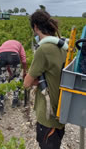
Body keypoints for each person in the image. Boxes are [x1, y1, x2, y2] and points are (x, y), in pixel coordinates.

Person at [24, 10, 67, 149]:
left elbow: (27, 83)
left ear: (35, 27)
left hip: (48, 115)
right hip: (62, 109)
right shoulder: (64, 46)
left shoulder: (44, 49)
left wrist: (34, 80)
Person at [0, 40, 27, 113]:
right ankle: (15, 100)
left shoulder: (4, 44)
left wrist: (9, 73)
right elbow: (24, 60)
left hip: (0, 56)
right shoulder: (19, 44)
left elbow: (1, 57)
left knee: (1, 81)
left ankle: (1, 105)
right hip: (14, 56)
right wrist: (24, 71)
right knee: (17, 78)